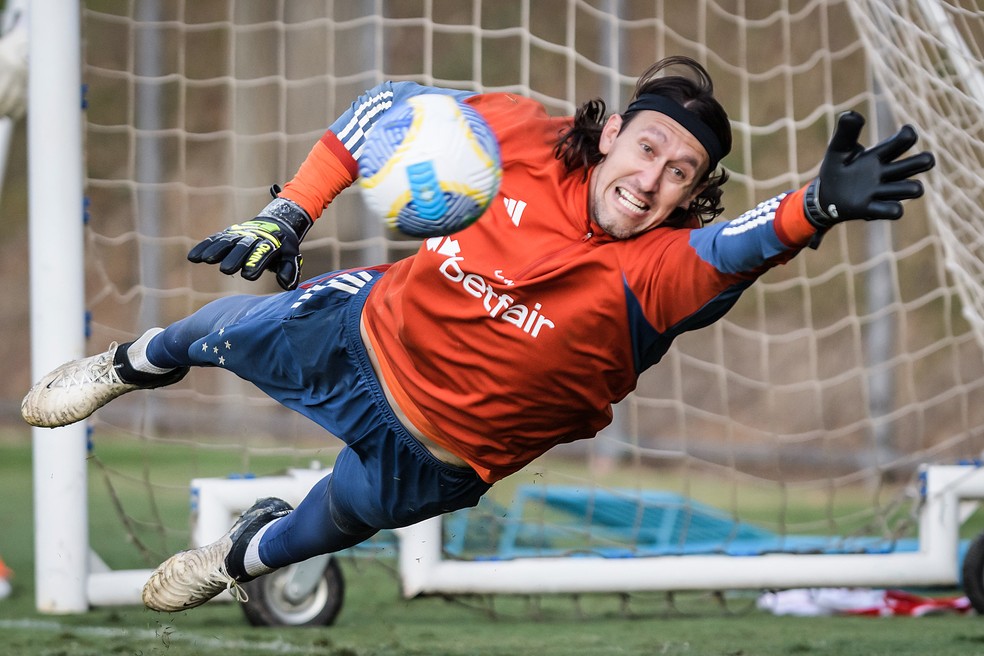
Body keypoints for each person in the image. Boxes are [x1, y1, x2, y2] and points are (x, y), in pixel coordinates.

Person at [21, 56, 935, 612]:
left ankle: (229, 561)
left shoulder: (669, 272)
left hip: (450, 444)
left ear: (692, 195)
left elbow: (745, 244)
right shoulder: (517, 136)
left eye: (681, 173)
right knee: (221, 326)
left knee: (333, 520)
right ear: (613, 132)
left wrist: (813, 206)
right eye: (648, 147)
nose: (653, 178)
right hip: (369, 328)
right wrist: (289, 214)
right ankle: (123, 364)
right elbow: (380, 112)